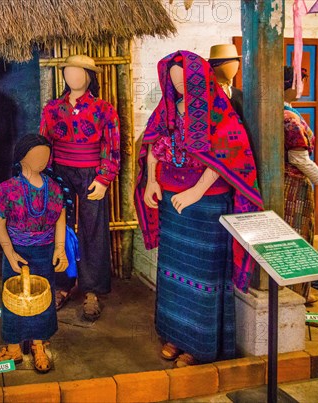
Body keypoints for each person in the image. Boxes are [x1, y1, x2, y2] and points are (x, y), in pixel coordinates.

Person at [135, 51, 263, 367]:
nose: (178, 85)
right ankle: (175, 335)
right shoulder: (166, 109)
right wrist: (152, 181)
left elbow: (227, 155)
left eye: (183, 79)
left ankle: (199, 344)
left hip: (206, 206)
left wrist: (195, 191)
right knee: (172, 270)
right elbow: (152, 144)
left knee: (203, 274)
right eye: (173, 79)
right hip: (171, 203)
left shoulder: (218, 111)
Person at [40, 54, 120, 321]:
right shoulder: (52, 109)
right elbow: (43, 144)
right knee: (59, 228)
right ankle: (62, 285)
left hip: (91, 173)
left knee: (93, 228)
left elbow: (112, 146)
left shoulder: (104, 109)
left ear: (89, 76)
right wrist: (45, 176)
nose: (72, 77)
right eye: (68, 72)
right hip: (59, 172)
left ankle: (92, 290)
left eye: (79, 72)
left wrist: (104, 177)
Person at [0, 135, 68, 373]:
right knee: (14, 300)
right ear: (21, 157)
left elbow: (61, 218)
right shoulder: (8, 189)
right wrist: (9, 252)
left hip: (44, 252)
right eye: (36, 155)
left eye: (45, 155)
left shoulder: (53, 188)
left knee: (43, 299)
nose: (42, 160)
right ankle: (13, 347)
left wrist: (60, 248)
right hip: (18, 252)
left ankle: (38, 345)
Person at [283, 66, 318, 304]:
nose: (302, 87)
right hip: (293, 186)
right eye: (300, 81)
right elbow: (299, 160)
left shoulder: (284, 112)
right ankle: (295, 295)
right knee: (296, 237)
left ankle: (298, 291)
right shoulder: (289, 118)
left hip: (286, 184)